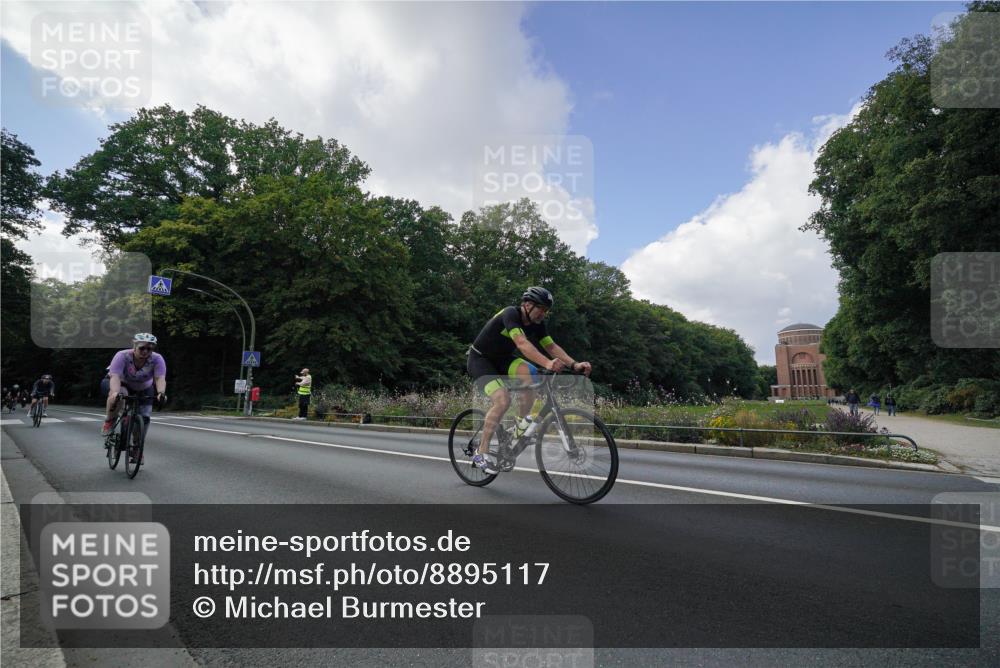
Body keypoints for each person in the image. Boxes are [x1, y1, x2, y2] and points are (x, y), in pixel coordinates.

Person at [466, 286, 592, 474]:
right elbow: (522, 344)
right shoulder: (510, 314)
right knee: (503, 400)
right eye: (540, 308)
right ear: (527, 304)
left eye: (546, 310)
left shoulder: (538, 323)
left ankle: (518, 425)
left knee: (531, 372)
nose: (543, 313)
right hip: (480, 360)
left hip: (502, 359)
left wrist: (574, 364)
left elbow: (551, 346)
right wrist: (548, 364)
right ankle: (480, 453)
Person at [101, 334, 167, 463]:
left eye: (149, 349)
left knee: (145, 417)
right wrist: (114, 392)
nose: (145, 352)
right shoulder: (122, 355)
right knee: (119, 396)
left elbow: (160, 378)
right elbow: (115, 377)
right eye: (142, 348)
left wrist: (161, 393)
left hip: (143, 387)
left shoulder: (157, 359)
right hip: (121, 383)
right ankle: (109, 420)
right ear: (134, 346)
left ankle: (137, 448)